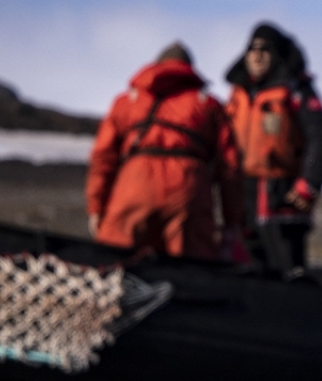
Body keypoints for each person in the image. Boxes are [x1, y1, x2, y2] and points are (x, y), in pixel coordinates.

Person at [85, 42, 243, 260]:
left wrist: (96, 207)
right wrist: (230, 221)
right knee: (192, 271)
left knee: (116, 263)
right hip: (188, 189)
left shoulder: (127, 102)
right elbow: (230, 167)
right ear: (189, 68)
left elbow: (103, 157)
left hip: (134, 186)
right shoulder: (209, 104)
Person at [224, 22, 322, 272]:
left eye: (265, 49)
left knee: (287, 269)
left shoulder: (296, 91)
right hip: (243, 195)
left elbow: (320, 136)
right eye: (251, 48)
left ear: (277, 54)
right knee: (248, 268)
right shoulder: (237, 94)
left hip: (282, 195)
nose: (257, 54)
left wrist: (309, 184)